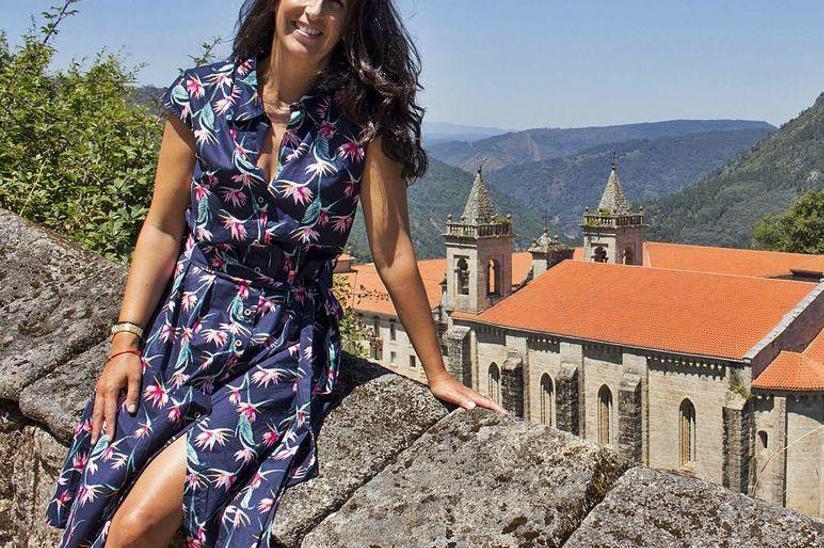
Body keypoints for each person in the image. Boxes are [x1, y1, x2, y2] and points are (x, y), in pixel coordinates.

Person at [44, 1, 505, 546]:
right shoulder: (200, 96)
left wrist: (437, 371)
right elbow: (164, 228)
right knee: (104, 486)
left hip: (282, 342)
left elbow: (393, 249)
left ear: (353, 18)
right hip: (185, 328)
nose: (314, 12)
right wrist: (124, 341)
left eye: (336, 2)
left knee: (138, 522)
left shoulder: (364, 121)